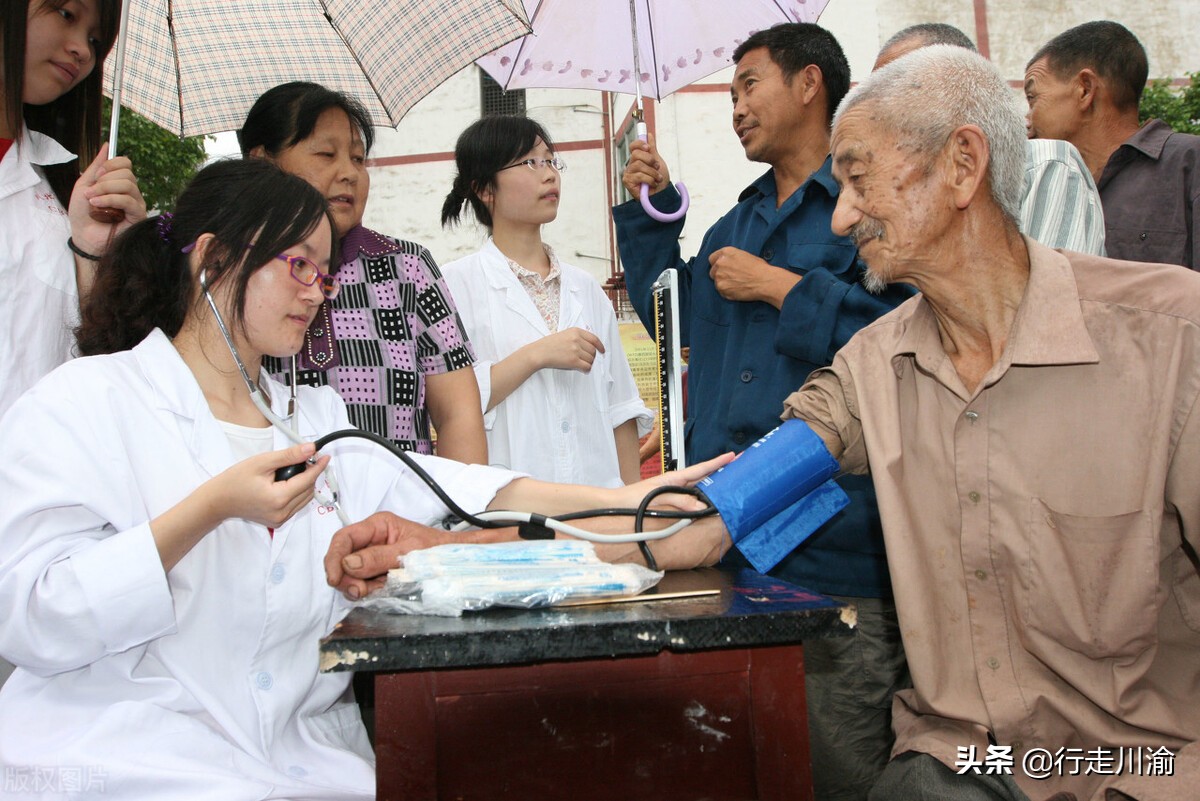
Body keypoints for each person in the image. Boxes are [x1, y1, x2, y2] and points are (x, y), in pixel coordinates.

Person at [0, 158, 733, 800]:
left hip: (303, 766)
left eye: (326, 270)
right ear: (213, 259)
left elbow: (459, 491)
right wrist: (211, 507)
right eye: (297, 265)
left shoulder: (311, 414)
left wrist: (632, 501)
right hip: (121, 765)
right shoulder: (86, 402)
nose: (318, 291)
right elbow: (31, 612)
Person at [783, 44, 1200, 800]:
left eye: (857, 176)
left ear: (963, 164)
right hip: (970, 764)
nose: (842, 215)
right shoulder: (875, 362)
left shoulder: (1174, 339)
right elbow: (752, 486)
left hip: (1145, 765)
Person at [615, 23, 912, 801]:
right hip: (725, 550)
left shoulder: (871, 212)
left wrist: (782, 288)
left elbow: (909, 347)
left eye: (750, 84)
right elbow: (669, 319)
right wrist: (649, 211)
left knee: (837, 768)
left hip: (836, 560)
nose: (736, 106)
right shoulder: (734, 226)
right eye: (732, 91)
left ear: (809, 84)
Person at [238, 81, 487, 462]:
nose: (349, 173)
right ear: (262, 162)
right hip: (277, 513)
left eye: (358, 159)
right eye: (326, 154)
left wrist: (455, 516)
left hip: (405, 516)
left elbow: (458, 415)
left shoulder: (407, 268)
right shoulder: (228, 272)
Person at [440, 115, 653, 487]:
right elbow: (449, 407)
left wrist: (631, 510)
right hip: (507, 517)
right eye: (530, 162)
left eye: (551, 161)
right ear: (484, 189)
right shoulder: (454, 287)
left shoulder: (586, 289)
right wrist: (537, 355)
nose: (550, 174)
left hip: (598, 513)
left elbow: (621, 412)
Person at [1, 0, 146, 418]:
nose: (83, 50)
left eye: (97, 39)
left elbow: (110, 358)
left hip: (35, 469)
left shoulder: (73, 196)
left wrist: (102, 255)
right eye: (66, 14)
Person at [875, 22, 1106, 256]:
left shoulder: (1043, 165)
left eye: (894, 91)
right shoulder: (911, 189)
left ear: (960, 88)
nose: (880, 113)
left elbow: (1050, 289)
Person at [1025, 20, 1200, 268]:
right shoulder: (1046, 181)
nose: (1028, 120)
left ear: (1085, 89)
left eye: (1032, 99)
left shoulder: (1189, 165)